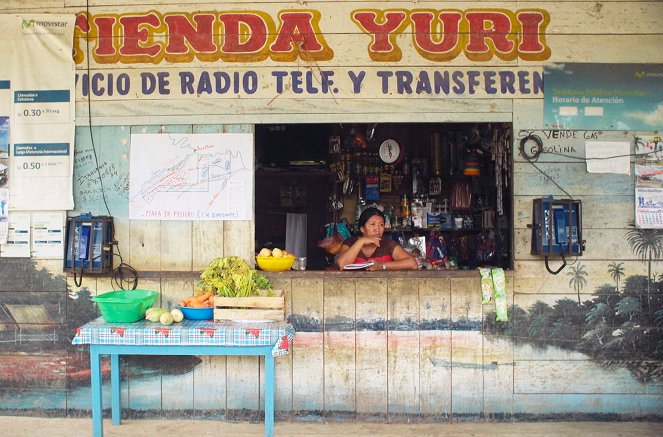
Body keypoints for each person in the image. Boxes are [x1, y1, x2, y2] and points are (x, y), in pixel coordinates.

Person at [336, 207, 418, 271]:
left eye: (381, 225)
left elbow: (413, 264)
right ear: (362, 229)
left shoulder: (387, 244)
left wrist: (382, 265)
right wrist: (361, 241)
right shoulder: (350, 242)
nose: (377, 229)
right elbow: (342, 264)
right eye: (372, 224)